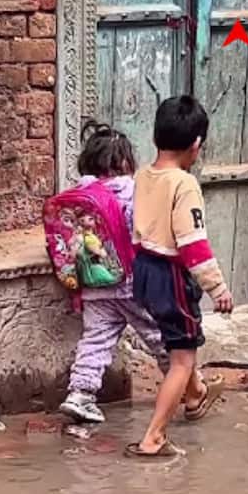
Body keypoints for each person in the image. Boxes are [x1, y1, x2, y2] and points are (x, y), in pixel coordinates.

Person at [126, 95, 233, 458]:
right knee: (182, 359)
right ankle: (154, 436)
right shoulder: (184, 184)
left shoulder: (143, 174)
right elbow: (192, 245)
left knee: (177, 343)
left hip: (142, 270)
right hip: (170, 273)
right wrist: (218, 287)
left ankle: (196, 395)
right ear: (196, 145)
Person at [57, 122, 171, 424]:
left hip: (93, 285)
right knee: (158, 334)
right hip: (131, 283)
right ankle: (181, 383)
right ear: (124, 162)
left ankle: (80, 395)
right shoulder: (134, 191)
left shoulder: (79, 195)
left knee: (95, 340)